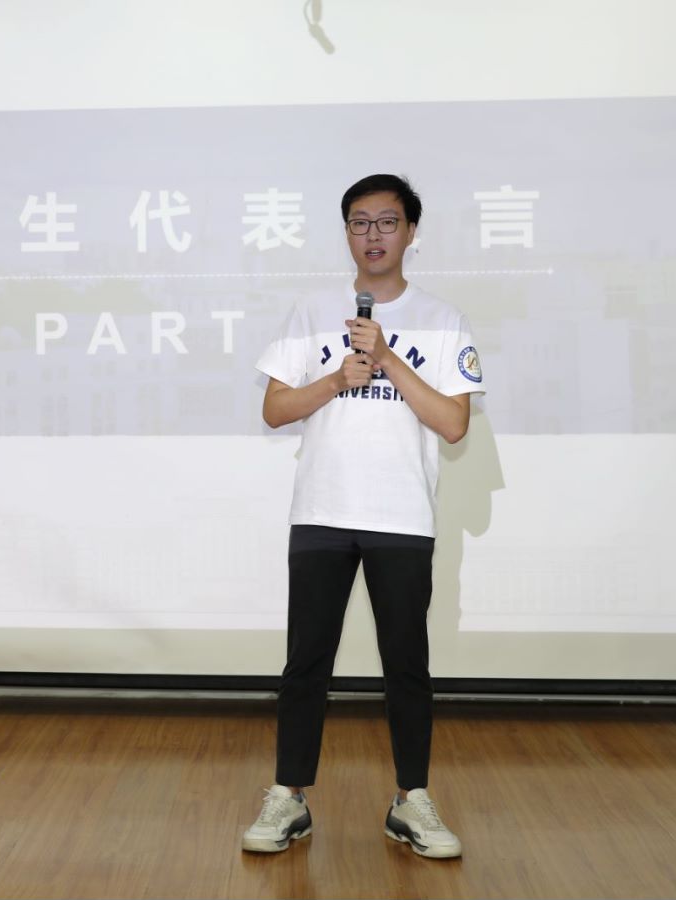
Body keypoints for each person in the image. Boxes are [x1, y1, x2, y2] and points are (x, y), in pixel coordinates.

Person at [242, 174, 486, 859]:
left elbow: (454, 425)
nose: (372, 235)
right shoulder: (311, 311)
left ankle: (412, 801)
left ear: (411, 231)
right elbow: (274, 409)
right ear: (345, 231)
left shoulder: (443, 319)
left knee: (406, 663)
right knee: (306, 661)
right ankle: (289, 797)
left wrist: (386, 358)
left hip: (401, 514)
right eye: (359, 222)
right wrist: (334, 380)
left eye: (386, 222)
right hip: (322, 509)